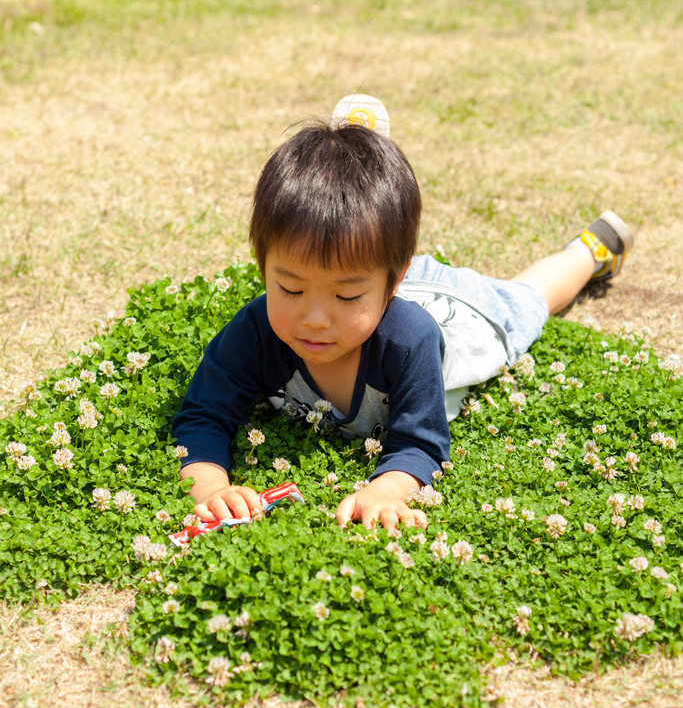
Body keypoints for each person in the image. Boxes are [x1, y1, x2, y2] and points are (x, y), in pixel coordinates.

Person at [172, 98, 634, 532]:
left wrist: (388, 487)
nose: (315, 318)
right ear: (262, 266)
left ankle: (588, 251)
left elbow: (419, 441)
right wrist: (212, 488)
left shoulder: (411, 340)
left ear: (394, 280)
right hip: (384, 281)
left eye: (346, 297)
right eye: (290, 288)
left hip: (457, 313)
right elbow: (202, 416)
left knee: (528, 299)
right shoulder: (254, 331)